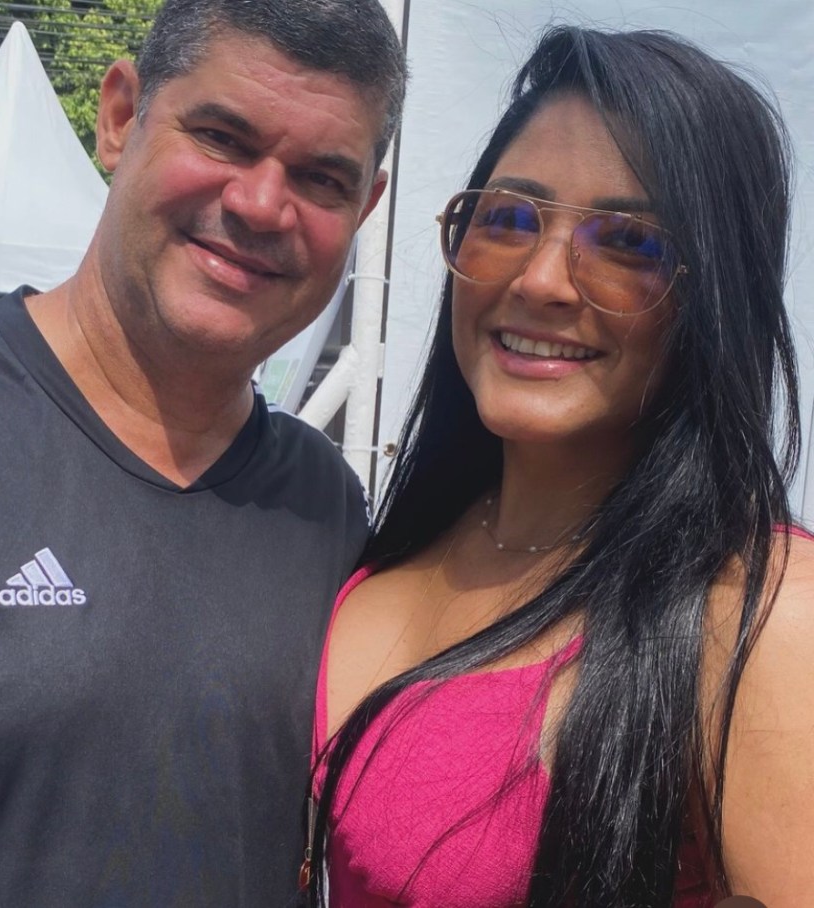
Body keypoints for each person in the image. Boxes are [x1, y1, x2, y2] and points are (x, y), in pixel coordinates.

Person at [0, 1, 406, 906]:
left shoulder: (329, 511)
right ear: (120, 117)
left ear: (364, 210)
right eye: (223, 137)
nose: (260, 204)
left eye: (321, 179)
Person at [307, 25, 814, 908]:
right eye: (508, 219)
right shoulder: (368, 557)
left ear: (713, 302)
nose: (542, 280)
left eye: (630, 243)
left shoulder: (762, 614)